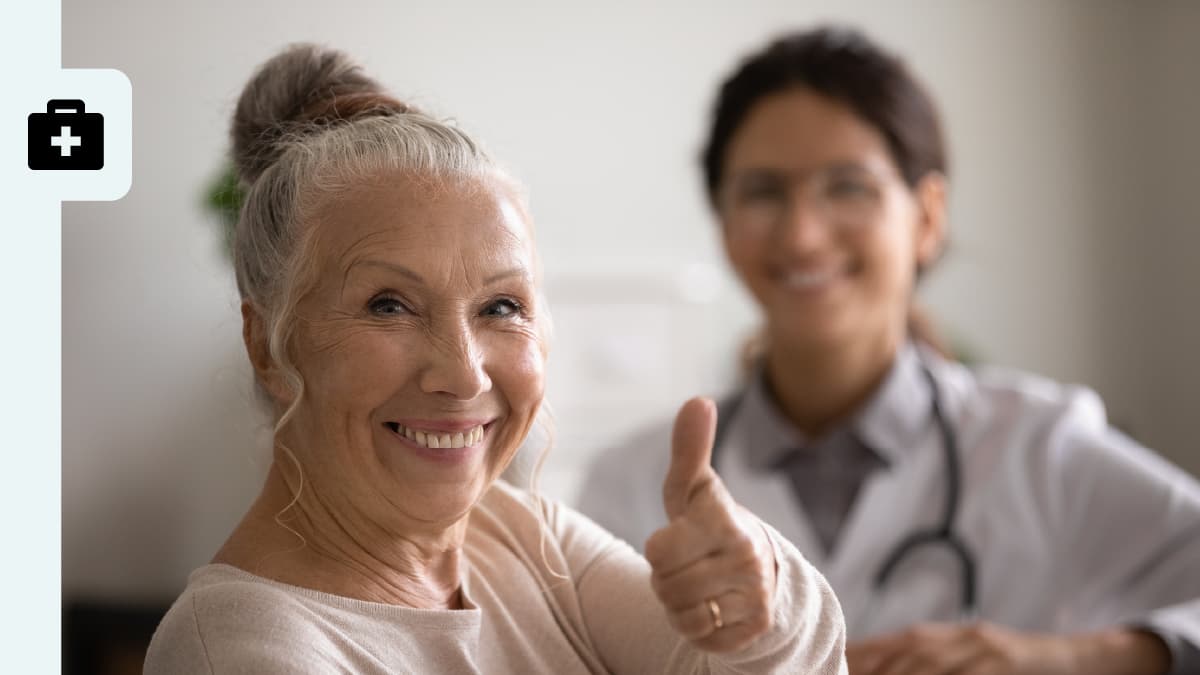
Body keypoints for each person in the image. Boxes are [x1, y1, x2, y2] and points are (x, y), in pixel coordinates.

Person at [143, 44, 847, 674]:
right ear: (268, 343)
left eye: (501, 307)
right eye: (389, 304)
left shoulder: (523, 540)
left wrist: (761, 604)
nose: (463, 373)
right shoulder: (245, 650)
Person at [578, 26, 1200, 675]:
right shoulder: (628, 485)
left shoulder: (1040, 449)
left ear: (927, 217)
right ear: (724, 224)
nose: (803, 236)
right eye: (763, 192)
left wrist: (1068, 658)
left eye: (848, 186)